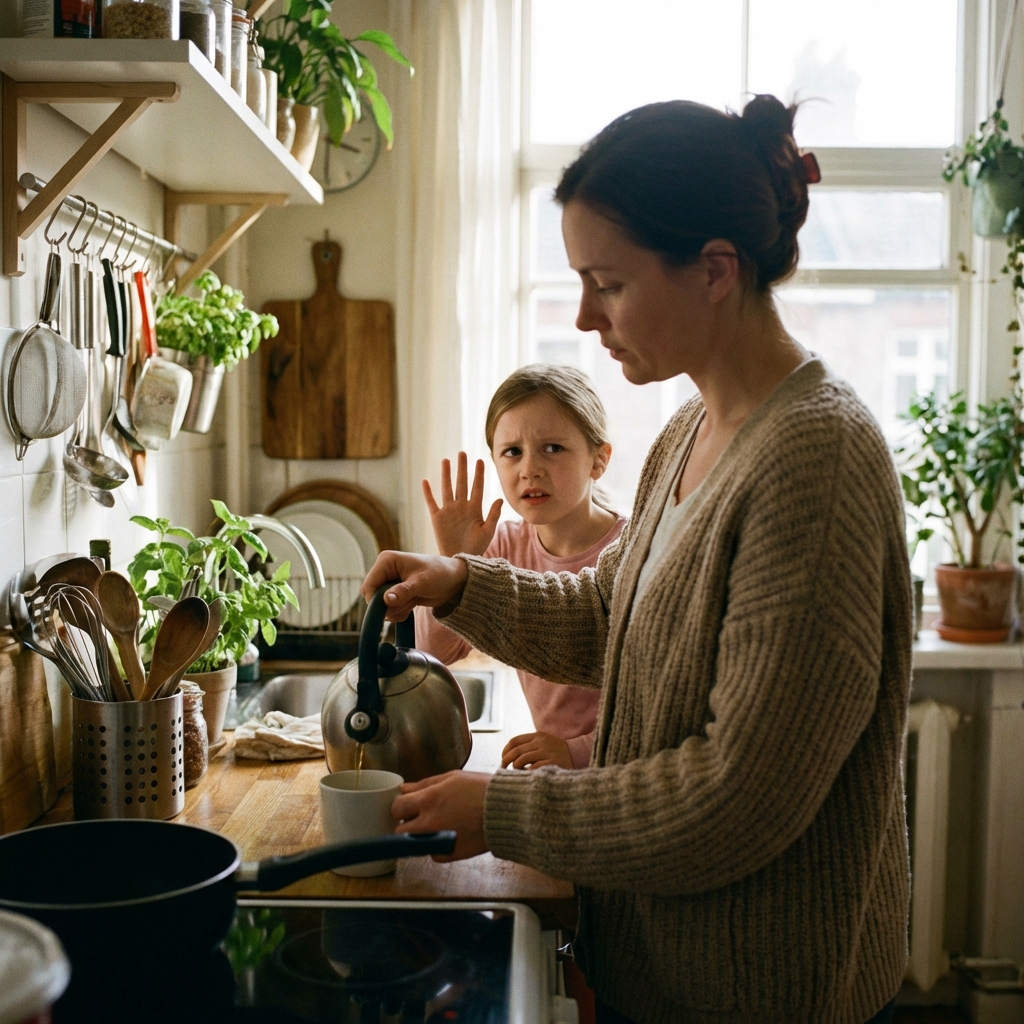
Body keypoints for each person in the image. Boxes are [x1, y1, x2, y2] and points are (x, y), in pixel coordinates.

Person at [363, 95, 912, 1024]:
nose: (585, 316)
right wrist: (461, 583)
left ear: (713, 270)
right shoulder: (690, 431)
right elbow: (611, 616)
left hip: (762, 988)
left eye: (608, 283)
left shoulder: (815, 462)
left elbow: (736, 797)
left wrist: (503, 809)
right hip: (661, 964)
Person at [414, 364, 626, 770]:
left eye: (553, 448)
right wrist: (454, 563)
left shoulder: (631, 550)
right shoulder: (503, 545)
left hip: (618, 766)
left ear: (599, 460)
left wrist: (576, 752)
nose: (530, 468)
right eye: (512, 452)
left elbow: (655, 707)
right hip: (555, 767)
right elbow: (433, 654)